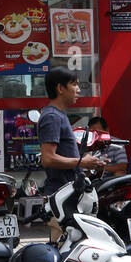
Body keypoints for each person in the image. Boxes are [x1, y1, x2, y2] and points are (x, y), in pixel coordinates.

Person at [40, 68, 105, 240]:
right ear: (60, 89)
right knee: (64, 252)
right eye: (74, 84)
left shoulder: (58, 116)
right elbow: (48, 158)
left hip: (69, 195)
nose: (78, 90)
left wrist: (87, 162)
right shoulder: (52, 117)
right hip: (60, 197)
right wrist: (81, 162)